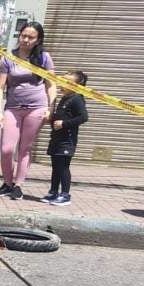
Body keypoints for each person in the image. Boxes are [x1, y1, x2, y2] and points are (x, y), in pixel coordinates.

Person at [0, 21, 56, 200]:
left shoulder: (44, 57)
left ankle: (18, 185)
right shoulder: (9, 57)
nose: (26, 40)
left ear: (38, 40)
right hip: (13, 108)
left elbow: (51, 84)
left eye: (30, 37)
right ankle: (7, 182)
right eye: (23, 36)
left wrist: (51, 108)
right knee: (6, 149)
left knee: (25, 148)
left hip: (37, 108)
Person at [42, 70, 89, 207]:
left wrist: (64, 124)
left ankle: (65, 195)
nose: (62, 83)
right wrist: (51, 120)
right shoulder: (64, 98)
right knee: (55, 167)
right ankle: (54, 192)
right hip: (56, 139)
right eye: (62, 80)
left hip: (67, 141)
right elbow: (60, 116)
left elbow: (83, 117)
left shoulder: (77, 99)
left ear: (76, 85)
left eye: (67, 82)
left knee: (63, 167)